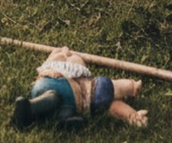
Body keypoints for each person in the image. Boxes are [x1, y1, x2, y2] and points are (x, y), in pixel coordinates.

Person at [11, 45, 148, 131]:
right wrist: (131, 86)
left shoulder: (87, 85)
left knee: (65, 108)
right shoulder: (53, 70)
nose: (67, 51)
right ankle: (28, 109)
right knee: (52, 97)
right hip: (51, 87)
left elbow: (115, 98)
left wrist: (132, 114)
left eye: (70, 55)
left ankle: (66, 121)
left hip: (73, 103)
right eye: (65, 54)